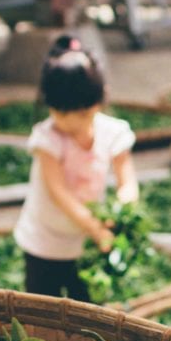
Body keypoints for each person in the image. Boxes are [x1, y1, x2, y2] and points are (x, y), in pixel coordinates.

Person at [14, 36, 138, 301]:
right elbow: (58, 192)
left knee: (88, 310)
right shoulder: (47, 139)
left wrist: (120, 211)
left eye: (81, 115)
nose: (68, 124)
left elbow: (127, 182)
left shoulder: (113, 133)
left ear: (97, 104)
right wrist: (95, 228)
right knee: (42, 310)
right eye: (59, 114)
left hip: (86, 243)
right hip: (45, 241)